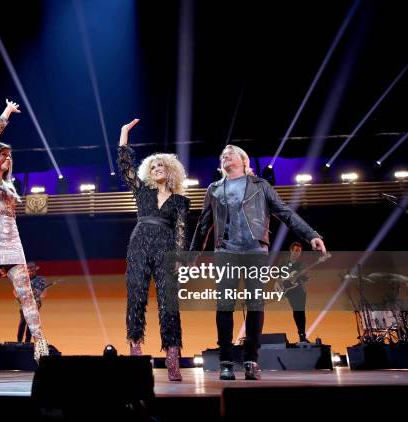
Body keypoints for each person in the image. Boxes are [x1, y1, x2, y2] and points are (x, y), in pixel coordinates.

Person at [190, 144, 326, 380]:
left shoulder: (260, 186)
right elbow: (203, 225)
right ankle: (226, 362)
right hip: (226, 252)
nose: (225, 156)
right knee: (225, 306)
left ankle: (251, 360)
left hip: (255, 251)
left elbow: (285, 212)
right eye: (222, 155)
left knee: (255, 305)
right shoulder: (213, 189)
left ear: (244, 161)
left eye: (230, 154)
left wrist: (311, 235)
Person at [0, 99, 49, 381]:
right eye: (2, 156)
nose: (7, 159)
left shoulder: (10, 184)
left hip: (10, 235)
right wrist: (5, 114)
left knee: (27, 294)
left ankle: (41, 347)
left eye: (9, 157)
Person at [117, 119, 190, 381]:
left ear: (170, 171)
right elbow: (125, 168)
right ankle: (136, 355)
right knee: (135, 299)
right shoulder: (142, 192)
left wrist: (180, 259)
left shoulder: (181, 201)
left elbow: (181, 231)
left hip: (166, 250)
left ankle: (172, 359)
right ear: (149, 171)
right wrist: (124, 134)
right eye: (154, 165)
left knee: (169, 305)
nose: (158, 168)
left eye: (162, 165)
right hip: (138, 246)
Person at [281, 242, 311, 343]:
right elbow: (277, 275)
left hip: (300, 290)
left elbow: (307, 277)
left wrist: (303, 275)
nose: (297, 253)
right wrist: (281, 282)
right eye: (296, 251)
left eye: (299, 251)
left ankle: (302, 335)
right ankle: (302, 335)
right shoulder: (284, 263)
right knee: (298, 311)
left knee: (300, 312)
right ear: (291, 250)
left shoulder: (302, 264)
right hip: (289, 291)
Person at [16, 262, 46, 343]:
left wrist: (33, 291)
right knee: (23, 322)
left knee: (30, 324)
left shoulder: (41, 279)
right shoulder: (22, 279)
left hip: (35, 304)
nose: (30, 270)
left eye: (32, 268)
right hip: (24, 304)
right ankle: (19, 342)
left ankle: (27, 342)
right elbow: (16, 292)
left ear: (36, 268)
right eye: (28, 268)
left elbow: (42, 293)